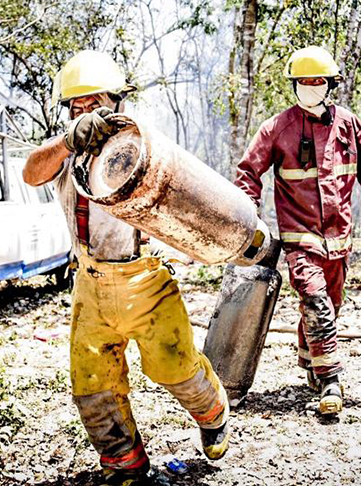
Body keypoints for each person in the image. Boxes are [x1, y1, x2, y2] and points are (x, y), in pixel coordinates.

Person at [23, 50, 230, 486]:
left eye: (95, 103)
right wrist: (67, 141)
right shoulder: (66, 155)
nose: (86, 114)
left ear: (116, 102)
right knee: (93, 384)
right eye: (76, 107)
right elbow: (30, 172)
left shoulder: (143, 145)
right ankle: (124, 465)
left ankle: (213, 413)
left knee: (174, 366)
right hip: (91, 284)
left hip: (146, 280)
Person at [233, 45, 361, 416]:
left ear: (330, 84)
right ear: (294, 85)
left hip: (339, 240)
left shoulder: (348, 125)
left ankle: (313, 366)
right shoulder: (277, 129)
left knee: (329, 306)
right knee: (316, 301)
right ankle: (331, 381)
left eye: (318, 81)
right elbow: (248, 172)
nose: (311, 87)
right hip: (300, 238)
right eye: (305, 81)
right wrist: (250, 216)